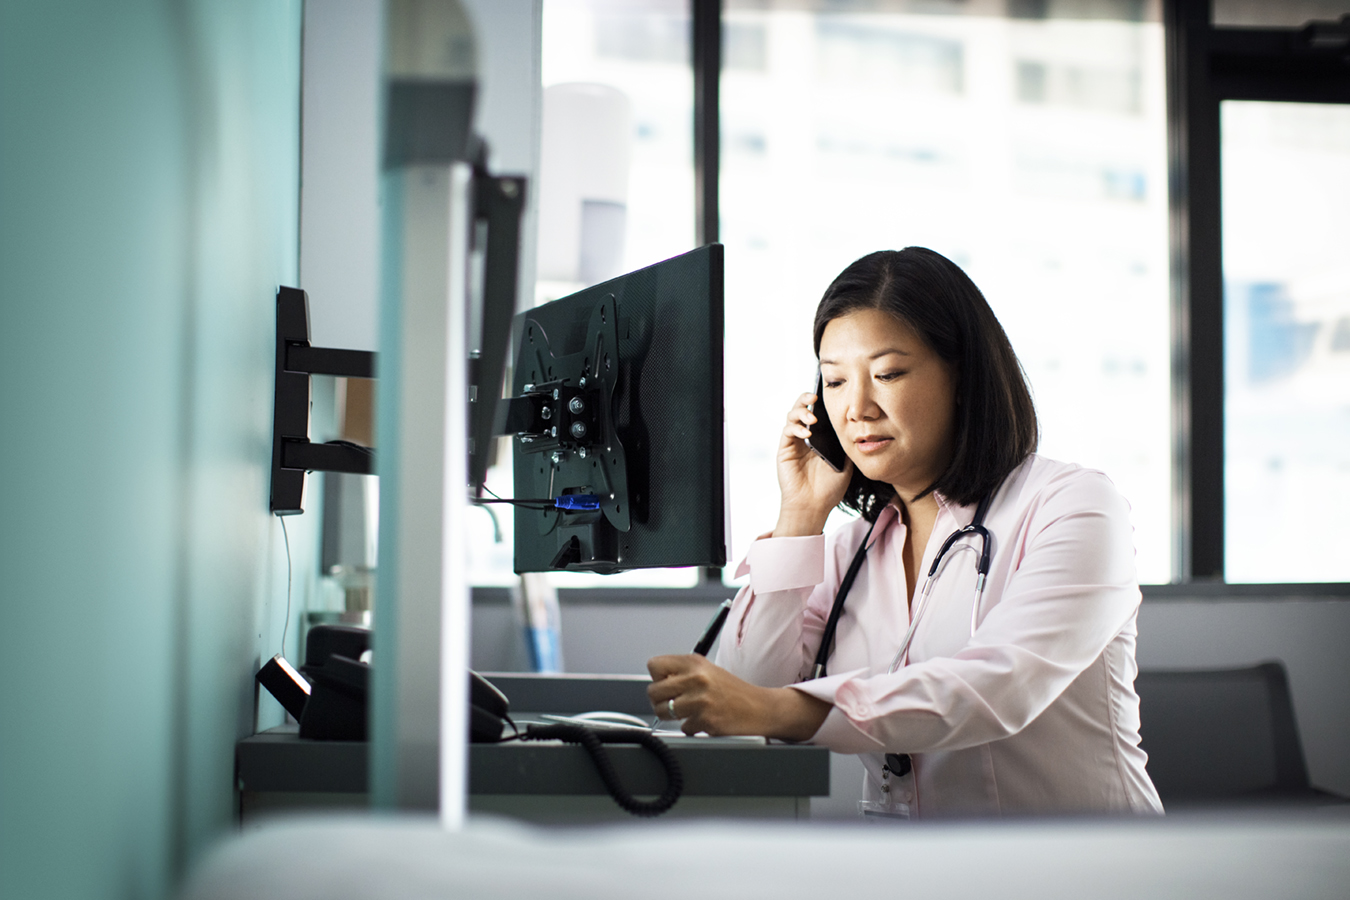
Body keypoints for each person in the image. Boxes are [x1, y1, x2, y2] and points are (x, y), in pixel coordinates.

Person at [647, 248, 1163, 817]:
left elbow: (998, 688)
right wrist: (799, 517)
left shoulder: (1072, 505)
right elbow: (747, 703)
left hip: (1082, 872)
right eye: (836, 381)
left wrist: (780, 711)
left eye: (888, 373)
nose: (857, 408)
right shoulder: (850, 551)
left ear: (962, 376)